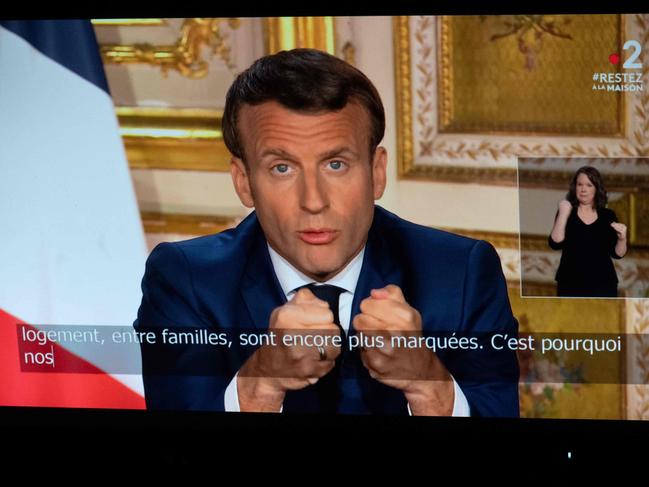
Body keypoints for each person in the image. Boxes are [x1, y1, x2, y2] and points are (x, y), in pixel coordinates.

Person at [133, 48, 519, 416]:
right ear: (244, 182)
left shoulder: (461, 274)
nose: (314, 201)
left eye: (336, 164)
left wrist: (430, 386)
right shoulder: (186, 281)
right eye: (282, 168)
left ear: (376, 172)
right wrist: (260, 383)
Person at [548, 166, 627, 297]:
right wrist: (563, 213)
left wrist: (622, 238)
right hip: (570, 283)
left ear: (596, 188)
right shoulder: (567, 212)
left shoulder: (608, 215)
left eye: (589, 185)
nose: (583, 189)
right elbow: (555, 243)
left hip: (603, 284)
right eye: (580, 185)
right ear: (575, 187)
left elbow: (617, 254)